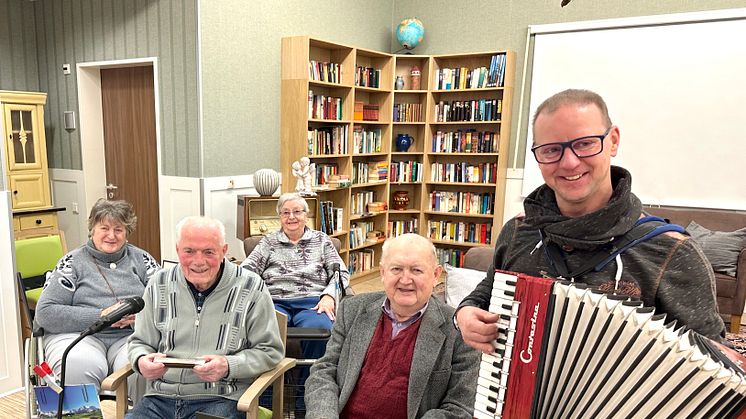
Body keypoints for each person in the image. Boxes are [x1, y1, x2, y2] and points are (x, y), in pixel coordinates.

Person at [456, 89, 726, 354]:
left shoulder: (672, 253)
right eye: (551, 150)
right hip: (517, 396)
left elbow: (715, 367)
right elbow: (485, 294)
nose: (570, 162)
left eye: (585, 143)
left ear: (613, 141)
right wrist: (465, 314)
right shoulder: (519, 232)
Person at [305, 233, 479, 418]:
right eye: (396, 269)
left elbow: (459, 406)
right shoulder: (352, 309)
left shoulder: (460, 329)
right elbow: (324, 371)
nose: (405, 280)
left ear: (436, 275)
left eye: (416, 270)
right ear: (382, 273)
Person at [126, 216, 283, 419]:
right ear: (177, 250)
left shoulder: (251, 287)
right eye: (189, 251)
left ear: (224, 251)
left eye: (209, 252)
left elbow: (270, 351)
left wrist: (228, 366)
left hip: (222, 397)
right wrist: (140, 360)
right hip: (160, 398)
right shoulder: (158, 284)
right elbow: (139, 342)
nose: (198, 261)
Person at [35, 199, 159, 391]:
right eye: (104, 228)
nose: (111, 235)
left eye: (118, 229)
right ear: (92, 229)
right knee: (78, 364)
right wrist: (101, 316)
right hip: (79, 336)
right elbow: (45, 313)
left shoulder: (143, 260)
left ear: (127, 233)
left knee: (142, 367)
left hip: (132, 336)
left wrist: (140, 318)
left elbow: (168, 305)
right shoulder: (71, 263)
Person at [241, 192, 349, 361]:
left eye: (297, 212)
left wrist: (329, 296)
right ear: (280, 217)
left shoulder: (322, 240)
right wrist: (256, 296)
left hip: (312, 302)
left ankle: (309, 384)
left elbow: (340, 272)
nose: (291, 217)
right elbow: (247, 270)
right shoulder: (268, 242)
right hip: (274, 302)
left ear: (306, 216)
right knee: (261, 329)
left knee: (321, 328)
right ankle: (268, 386)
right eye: (285, 212)